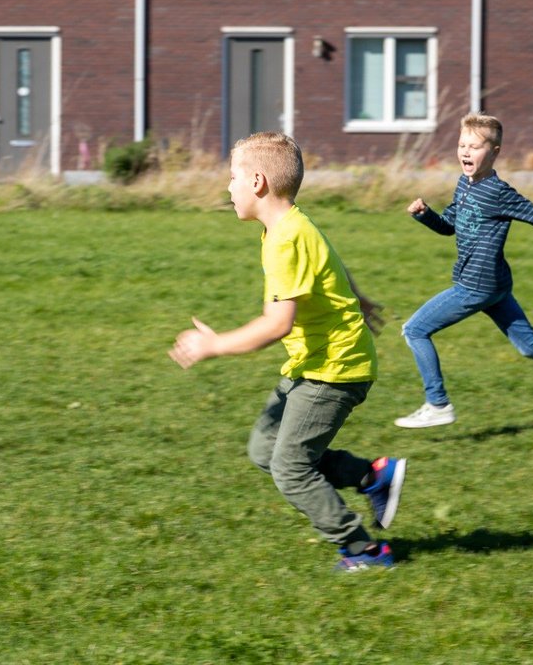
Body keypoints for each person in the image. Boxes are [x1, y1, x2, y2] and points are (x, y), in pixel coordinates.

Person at [169, 131, 406, 572]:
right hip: (312, 363)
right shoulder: (290, 225)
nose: (228, 187)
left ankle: (364, 551)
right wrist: (358, 297)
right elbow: (330, 262)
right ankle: (373, 475)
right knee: (265, 450)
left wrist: (213, 345)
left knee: (292, 468)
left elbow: (277, 323)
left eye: (233, 177)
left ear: (257, 182)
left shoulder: (285, 240)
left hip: (335, 371)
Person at [394, 112, 533, 434]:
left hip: (476, 286)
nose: (465, 152)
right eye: (461, 145)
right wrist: (426, 215)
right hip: (494, 285)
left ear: (495, 151)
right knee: (530, 346)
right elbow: (450, 227)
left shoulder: (499, 192)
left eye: (474, 146)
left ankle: (438, 404)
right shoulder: (464, 184)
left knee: (414, 330)